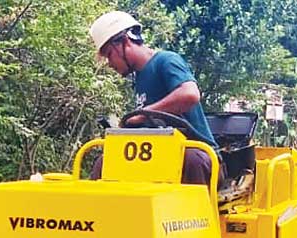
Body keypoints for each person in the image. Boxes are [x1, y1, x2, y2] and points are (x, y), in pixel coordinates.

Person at [89, 11, 220, 186]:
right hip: (157, 156)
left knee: (190, 160)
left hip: (198, 153)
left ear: (124, 42)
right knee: (104, 164)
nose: (110, 64)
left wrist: (144, 114)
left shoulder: (166, 61)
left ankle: (201, 213)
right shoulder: (139, 78)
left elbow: (190, 94)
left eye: (109, 55)